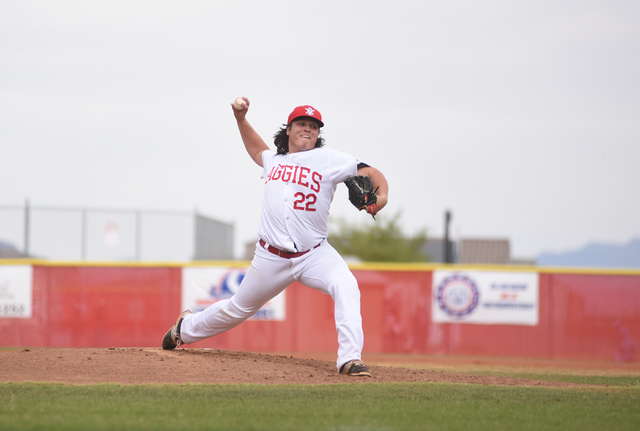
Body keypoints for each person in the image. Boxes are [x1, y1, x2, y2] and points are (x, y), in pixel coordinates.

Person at [162, 98, 389, 376]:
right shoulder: (273, 160)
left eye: (314, 126)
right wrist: (241, 119)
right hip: (271, 257)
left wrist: (379, 199)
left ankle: (350, 359)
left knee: (347, 286)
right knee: (237, 309)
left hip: (315, 254)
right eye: (302, 124)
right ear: (289, 130)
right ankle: (184, 329)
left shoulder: (328, 158)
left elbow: (373, 173)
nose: (308, 129)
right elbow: (256, 148)